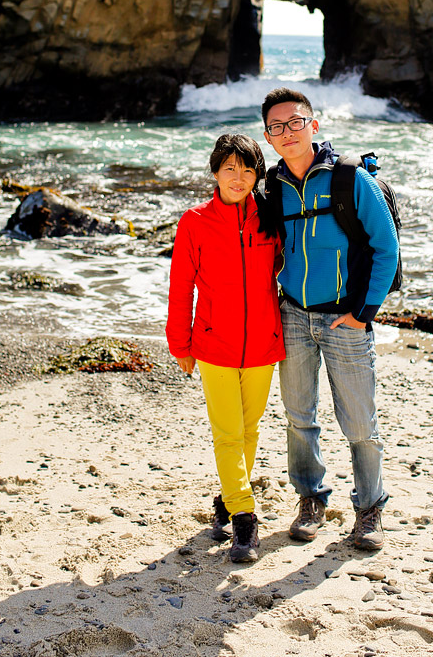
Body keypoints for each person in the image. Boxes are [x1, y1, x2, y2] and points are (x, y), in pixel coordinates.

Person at [262, 86, 398, 551]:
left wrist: (363, 313)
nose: (288, 131)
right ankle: (311, 498)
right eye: (277, 126)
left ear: (313, 126)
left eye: (295, 122)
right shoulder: (272, 187)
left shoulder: (349, 180)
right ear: (268, 137)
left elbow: (386, 247)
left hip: (345, 319)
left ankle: (370, 508)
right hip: (293, 316)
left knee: (359, 422)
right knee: (299, 417)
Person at [166, 133, 284, 563]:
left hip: (264, 343)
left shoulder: (270, 217)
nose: (239, 177)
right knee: (228, 433)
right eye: (230, 168)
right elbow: (181, 289)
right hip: (213, 344)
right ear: (215, 171)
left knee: (249, 430)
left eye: (248, 169)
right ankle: (245, 521)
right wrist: (180, 343)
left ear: (258, 175)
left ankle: (227, 500)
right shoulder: (194, 221)